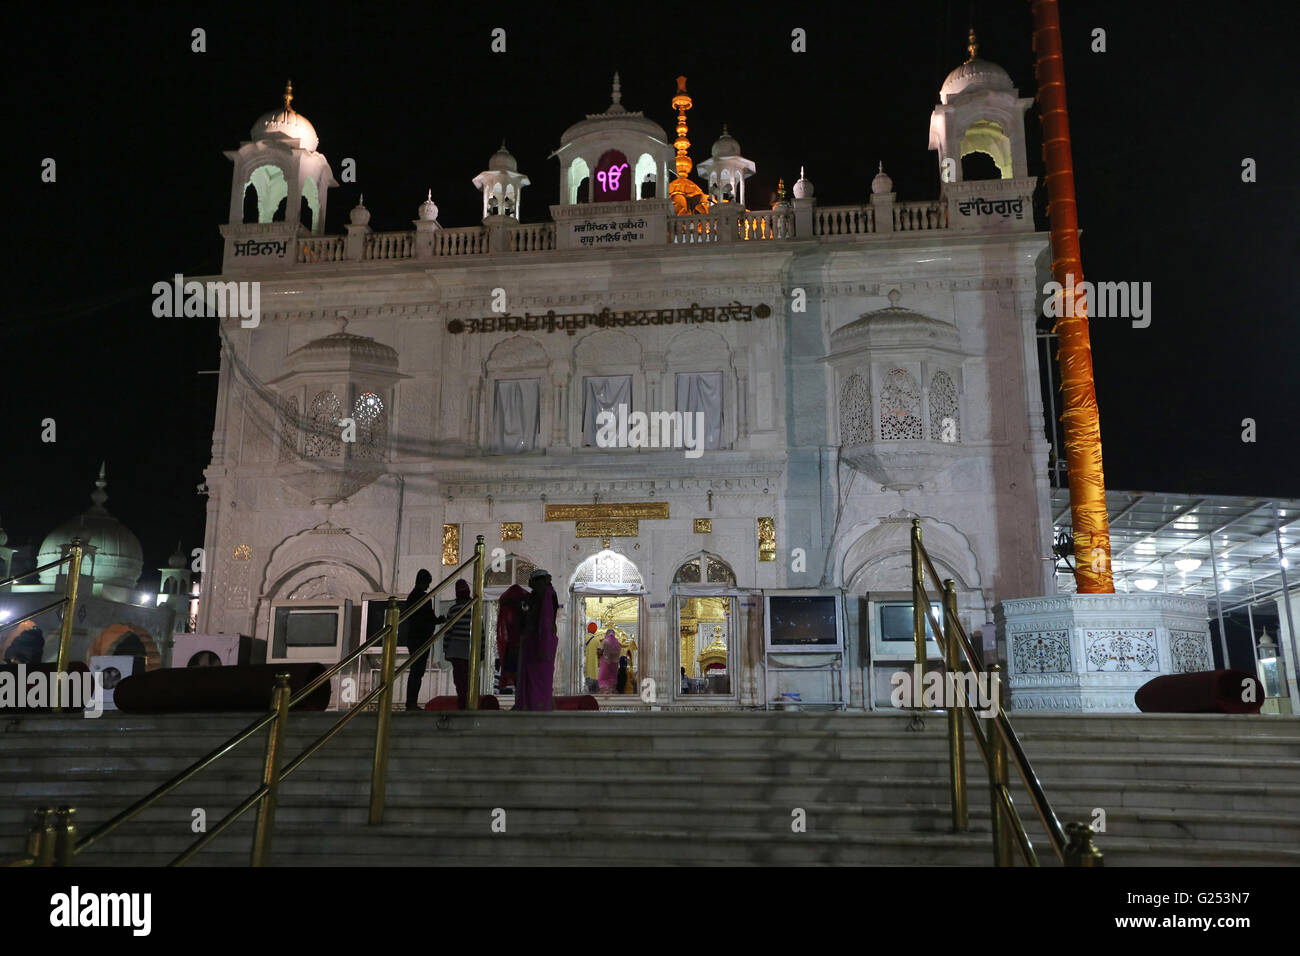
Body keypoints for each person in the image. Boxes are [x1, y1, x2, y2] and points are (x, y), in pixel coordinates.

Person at [514, 568, 558, 711]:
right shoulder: (540, 595)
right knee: (536, 678)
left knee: (538, 679)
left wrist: (542, 642)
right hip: (537, 641)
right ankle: (532, 705)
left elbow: (545, 621)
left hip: (539, 642)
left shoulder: (545, 594)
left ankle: (536, 706)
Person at [401, 570, 442, 711]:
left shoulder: (411, 597)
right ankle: (411, 703)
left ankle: (410, 702)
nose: (427, 587)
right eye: (428, 584)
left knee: (415, 671)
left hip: (413, 638)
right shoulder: (424, 597)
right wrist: (439, 620)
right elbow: (428, 617)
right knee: (417, 672)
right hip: (421, 638)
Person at [443, 579, 475, 709]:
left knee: (460, 681)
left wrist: (446, 650)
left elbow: (448, 631)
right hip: (470, 649)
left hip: (456, 650)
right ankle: (470, 704)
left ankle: (463, 705)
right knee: (470, 679)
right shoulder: (474, 608)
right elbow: (481, 631)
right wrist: (482, 650)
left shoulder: (453, 609)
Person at [496, 584, 529, 694]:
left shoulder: (509, 614)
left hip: (513, 651)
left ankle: (520, 703)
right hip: (521, 651)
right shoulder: (521, 615)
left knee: (519, 680)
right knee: (521, 681)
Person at [597, 628, 620, 692]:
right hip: (615, 666)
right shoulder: (617, 643)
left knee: (604, 682)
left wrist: (600, 657)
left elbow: (599, 651)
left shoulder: (605, 641)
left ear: (606, 634)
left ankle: (605, 697)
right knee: (613, 683)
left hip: (606, 664)